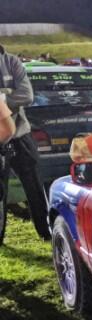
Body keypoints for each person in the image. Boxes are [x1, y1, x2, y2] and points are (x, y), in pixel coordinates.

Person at [0, 44, 50, 240]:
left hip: (20, 135)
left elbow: (27, 96)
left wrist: (1, 99)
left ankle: (45, 230)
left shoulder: (12, 62)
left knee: (35, 186)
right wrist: (8, 95)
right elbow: (17, 96)